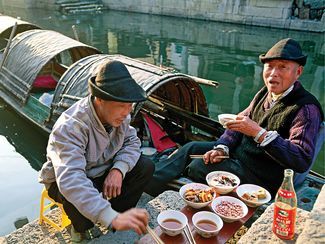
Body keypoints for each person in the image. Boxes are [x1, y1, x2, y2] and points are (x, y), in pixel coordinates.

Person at [145, 38, 324, 198]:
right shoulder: (265, 92)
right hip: (240, 156)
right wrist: (222, 148)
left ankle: (167, 188)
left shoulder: (306, 109)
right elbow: (238, 124)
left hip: (263, 176)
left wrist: (259, 133)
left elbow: (301, 159)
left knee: (198, 167)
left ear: (298, 72)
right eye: (269, 66)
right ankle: (148, 182)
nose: (273, 73)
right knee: (191, 147)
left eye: (282, 67)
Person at [38, 60, 154, 241]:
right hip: (69, 180)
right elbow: (71, 179)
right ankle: (84, 226)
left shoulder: (121, 116)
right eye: (122, 105)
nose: (127, 112)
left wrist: (118, 169)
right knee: (78, 194)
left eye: (130, 105)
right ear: (99, 99)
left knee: (145, 166)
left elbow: (132, 141)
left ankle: (118, 215)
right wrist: (108, 216)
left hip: (103, 169)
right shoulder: (71, 126)